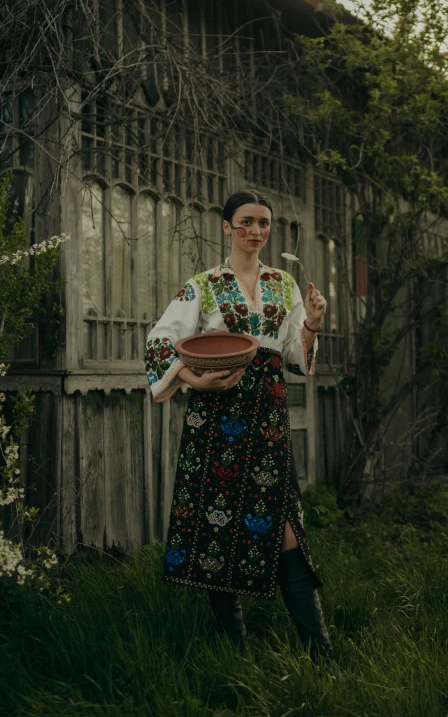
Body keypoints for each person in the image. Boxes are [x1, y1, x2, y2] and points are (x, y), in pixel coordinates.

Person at [144, 189, 341, 675]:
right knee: (217, 527)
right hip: (214, 417)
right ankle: (235, 654)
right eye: (247, 222)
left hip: (268, 414)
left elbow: (296, 354)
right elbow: (159, 341)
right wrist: (192, 378)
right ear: (227, 226)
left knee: (288, 530)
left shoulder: (283, 283)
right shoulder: (204, 286)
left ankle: (325, 660)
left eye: (264, 223)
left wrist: (313, 325)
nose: (256, 231)